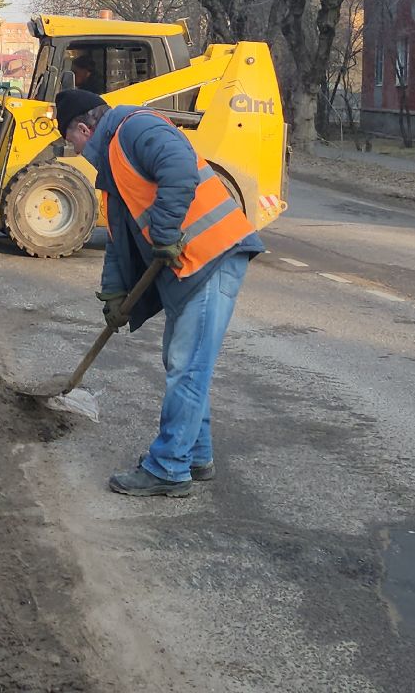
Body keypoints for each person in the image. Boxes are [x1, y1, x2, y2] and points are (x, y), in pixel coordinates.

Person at [55, 87, 263, 498]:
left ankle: (169, 468)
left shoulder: (136, 128)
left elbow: (179, 166)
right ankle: (195, 455)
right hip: (191, 265)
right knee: (181, 360)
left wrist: (167, 232)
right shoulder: (112, 169)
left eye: (70, 140)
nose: (72, 149)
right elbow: (119, 240)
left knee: (187, 364)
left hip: (212, 255)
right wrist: (113, 295)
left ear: (83, 128)